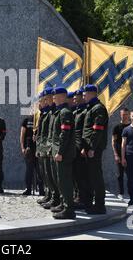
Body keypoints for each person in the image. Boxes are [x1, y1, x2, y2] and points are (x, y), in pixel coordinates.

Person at [81, 84, 109, 214]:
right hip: (89, 148)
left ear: (92, 93)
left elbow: (97, 130)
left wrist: (92, 147)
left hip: (94, 148)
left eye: (85, 94)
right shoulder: (91, 108)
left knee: (96, 177)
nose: (83, 96)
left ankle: (100, 205)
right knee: (90, 176)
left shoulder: (98, 108)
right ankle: (90, 203)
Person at [50, 87, 77, 219]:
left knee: (65, 181)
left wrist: (60, 152)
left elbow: (64, 134)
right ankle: (63, 203)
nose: (53, 99)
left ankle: (69, 209)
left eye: (55, 96)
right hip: (59, 152)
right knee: (60, 180)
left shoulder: (65, 112)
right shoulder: (60, 112)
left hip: (64, 154)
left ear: (62, 96)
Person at [41, 88, 61, 210]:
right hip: (47, 148)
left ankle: (57, 198)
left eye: (46, 99)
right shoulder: (48, 113)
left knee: (55, 176)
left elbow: (55, 134)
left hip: (53, 148)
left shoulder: (55, 112)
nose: (44, 101)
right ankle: (51, 195)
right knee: (48, 174)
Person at [72, 88, 90, 210]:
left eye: (76, 96)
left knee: (82, 175)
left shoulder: (85, 112)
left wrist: (85, 147)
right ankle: (78, 196)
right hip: (75, 147)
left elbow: (85, 132)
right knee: (76, 175)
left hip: (81, 148)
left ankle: (83, 199)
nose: (74, 98)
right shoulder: (77, 112)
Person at [20, 111, 42, 196]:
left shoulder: (42, 118)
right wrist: (22, 147)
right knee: (29, 169)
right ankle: (28, 189)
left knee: (39, 170)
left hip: (39, 147)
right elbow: (22, 135)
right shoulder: (26, 120)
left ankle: (41, 190)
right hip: (28, 148)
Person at [35, 92, 51, 205]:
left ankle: (54, 198)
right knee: (46, 174)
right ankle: (49, 195)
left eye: (41, 101)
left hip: (49, 149)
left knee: (51, 175)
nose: (39, 103)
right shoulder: (44, 114)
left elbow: (50, 135)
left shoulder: (50, 114)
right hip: (43, 148)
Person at [112, 108, 130, 199]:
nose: (125, 116)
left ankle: (131, 193)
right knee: (120, 174)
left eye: (127, 114)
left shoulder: (132, 126)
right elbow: (113, 141)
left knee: (130, 174)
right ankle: (121, 193)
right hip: (119, 153)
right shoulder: (117, 127)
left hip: (130, 154)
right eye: (123, 114)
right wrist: (115, 154)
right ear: (120, 115)